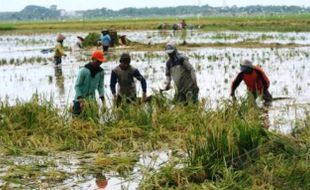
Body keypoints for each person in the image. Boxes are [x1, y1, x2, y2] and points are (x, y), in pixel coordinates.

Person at [73, 50, 106, 115]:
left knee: (95, 120)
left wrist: (103, 101)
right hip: (79, 100)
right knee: (77, 121)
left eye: (101, 62)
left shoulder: (101, 72)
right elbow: (77, 86)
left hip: (92, 100)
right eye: (98, 61)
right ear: (93, 59)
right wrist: (81, 100)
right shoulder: (84, 71)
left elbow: (100, 87)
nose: (99, 63)